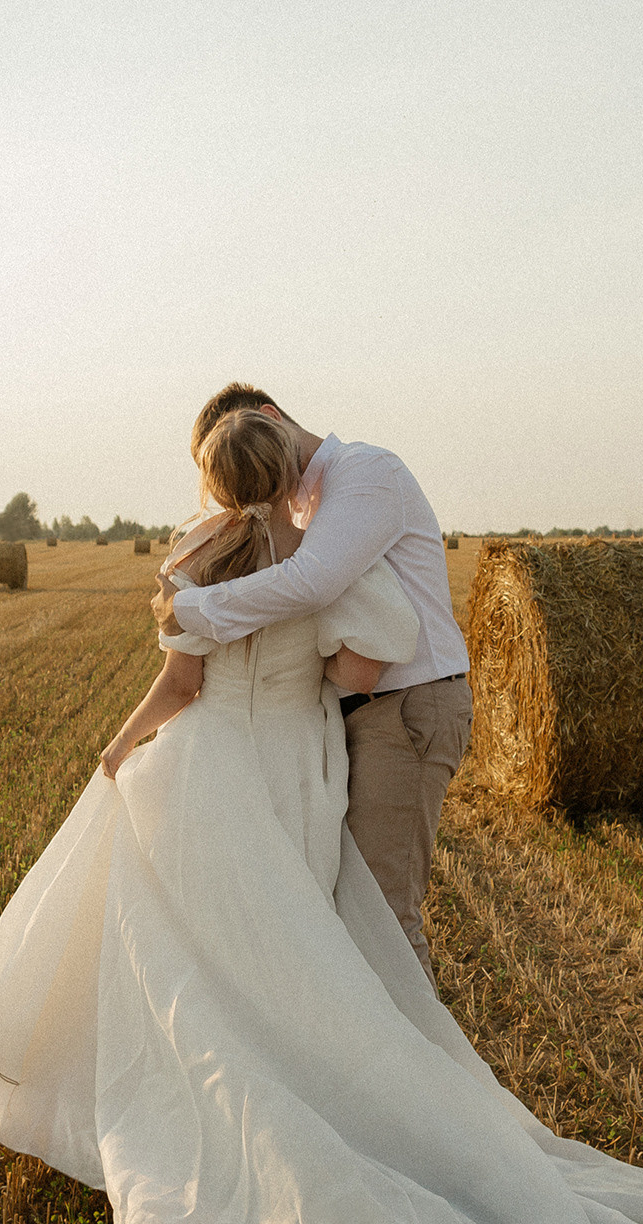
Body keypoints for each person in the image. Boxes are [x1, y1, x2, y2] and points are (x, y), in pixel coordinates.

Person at [0, 407, 643, 1224]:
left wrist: (121, 746)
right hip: (296, 771)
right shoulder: (324, 561)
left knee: (192, 964)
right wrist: (312, 686)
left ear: (213, 483)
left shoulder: (194, 560)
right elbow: (370, 661)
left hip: (206, 771)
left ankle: (211, 1112)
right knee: (311, 943)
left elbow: (180, 685)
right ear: (281, 457)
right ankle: (384, 1103)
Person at [152, 384, 468, 986]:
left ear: (268, 418)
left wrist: (191, 609)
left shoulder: (364, 474)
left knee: (383, 921)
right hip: (356, 717)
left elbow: (313, 582)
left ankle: (415, 1071)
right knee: (344, 916)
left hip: (403, 711)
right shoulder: (300, 510)